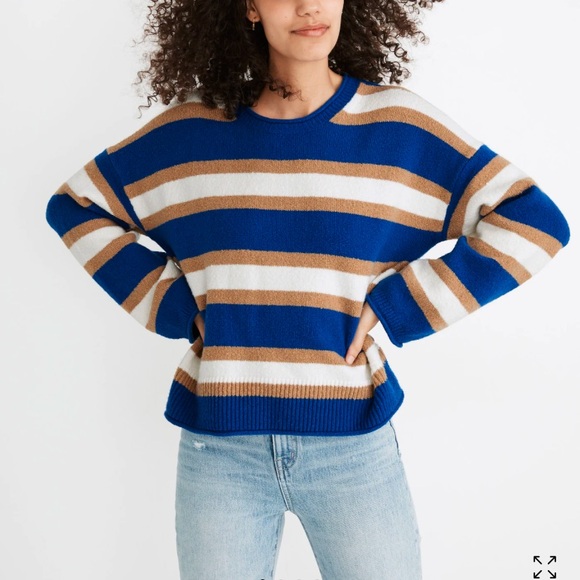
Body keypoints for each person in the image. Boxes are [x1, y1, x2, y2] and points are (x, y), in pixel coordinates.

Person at [45, 0, 570, 578]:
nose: (309, 6)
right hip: (220, 452)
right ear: (250, 6)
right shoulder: (189, 133)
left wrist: (398, 304)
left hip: (353, 449)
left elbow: (534, 221)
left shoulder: (399, 129)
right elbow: (76, 205)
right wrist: (174, 305)